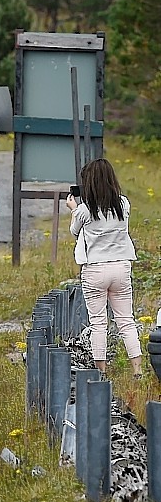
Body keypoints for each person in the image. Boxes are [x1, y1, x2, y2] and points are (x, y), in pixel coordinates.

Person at [67, 159, 146, 379]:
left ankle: (101, 371)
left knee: (98, 322)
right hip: (121, 267)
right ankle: (137, 368)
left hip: (95, 269)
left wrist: (73, 210)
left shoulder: (84, 210)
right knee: (126, 320)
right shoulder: (124, 204)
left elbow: (75, 231)